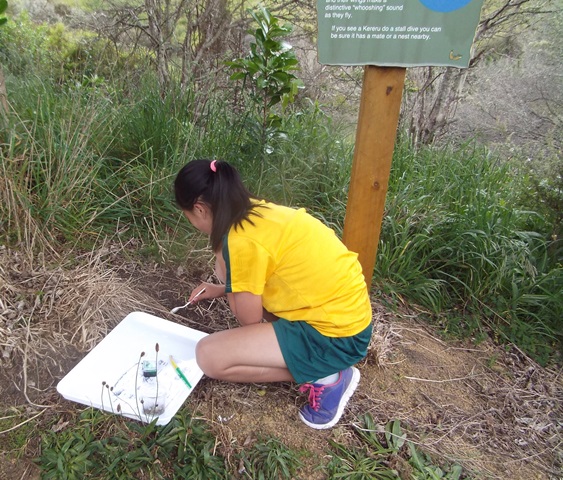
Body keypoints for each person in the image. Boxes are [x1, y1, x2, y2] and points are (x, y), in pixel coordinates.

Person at [174, 159, 373, 429]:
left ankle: (326, 376)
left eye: (188, 216)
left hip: (334, 337)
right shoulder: (257, 211)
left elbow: (249, 319)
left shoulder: (239, 241)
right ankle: (320, 363)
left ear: (199, 209)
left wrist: (225, 271)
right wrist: (221, 290)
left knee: (209, 357)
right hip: (349, 319)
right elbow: (267, 276)